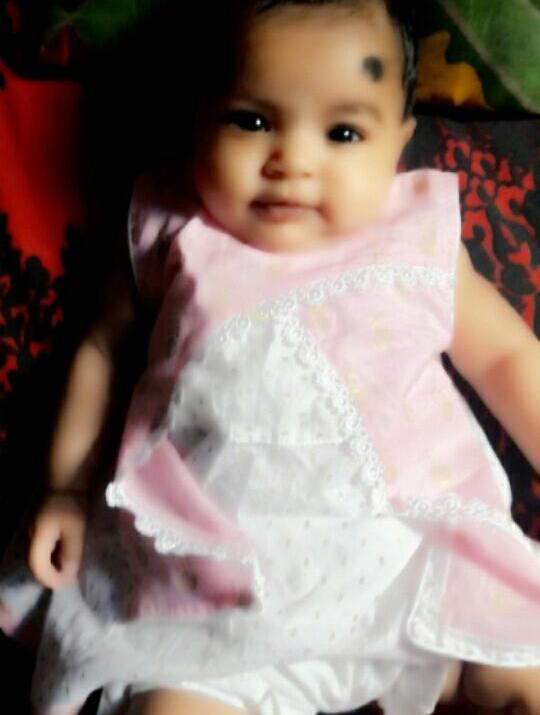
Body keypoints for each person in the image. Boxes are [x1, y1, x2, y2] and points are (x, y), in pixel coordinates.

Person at [1, 1, 539, 714]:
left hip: (413, 565)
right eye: (252, 121)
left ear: (397, 143)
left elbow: (504, 354)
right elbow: (102, 350)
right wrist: (67, 488)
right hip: (218, 600)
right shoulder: (175, 227)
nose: (293, 161)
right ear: (197, 118)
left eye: (343, 132)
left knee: (523, 668)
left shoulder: (415, 236)